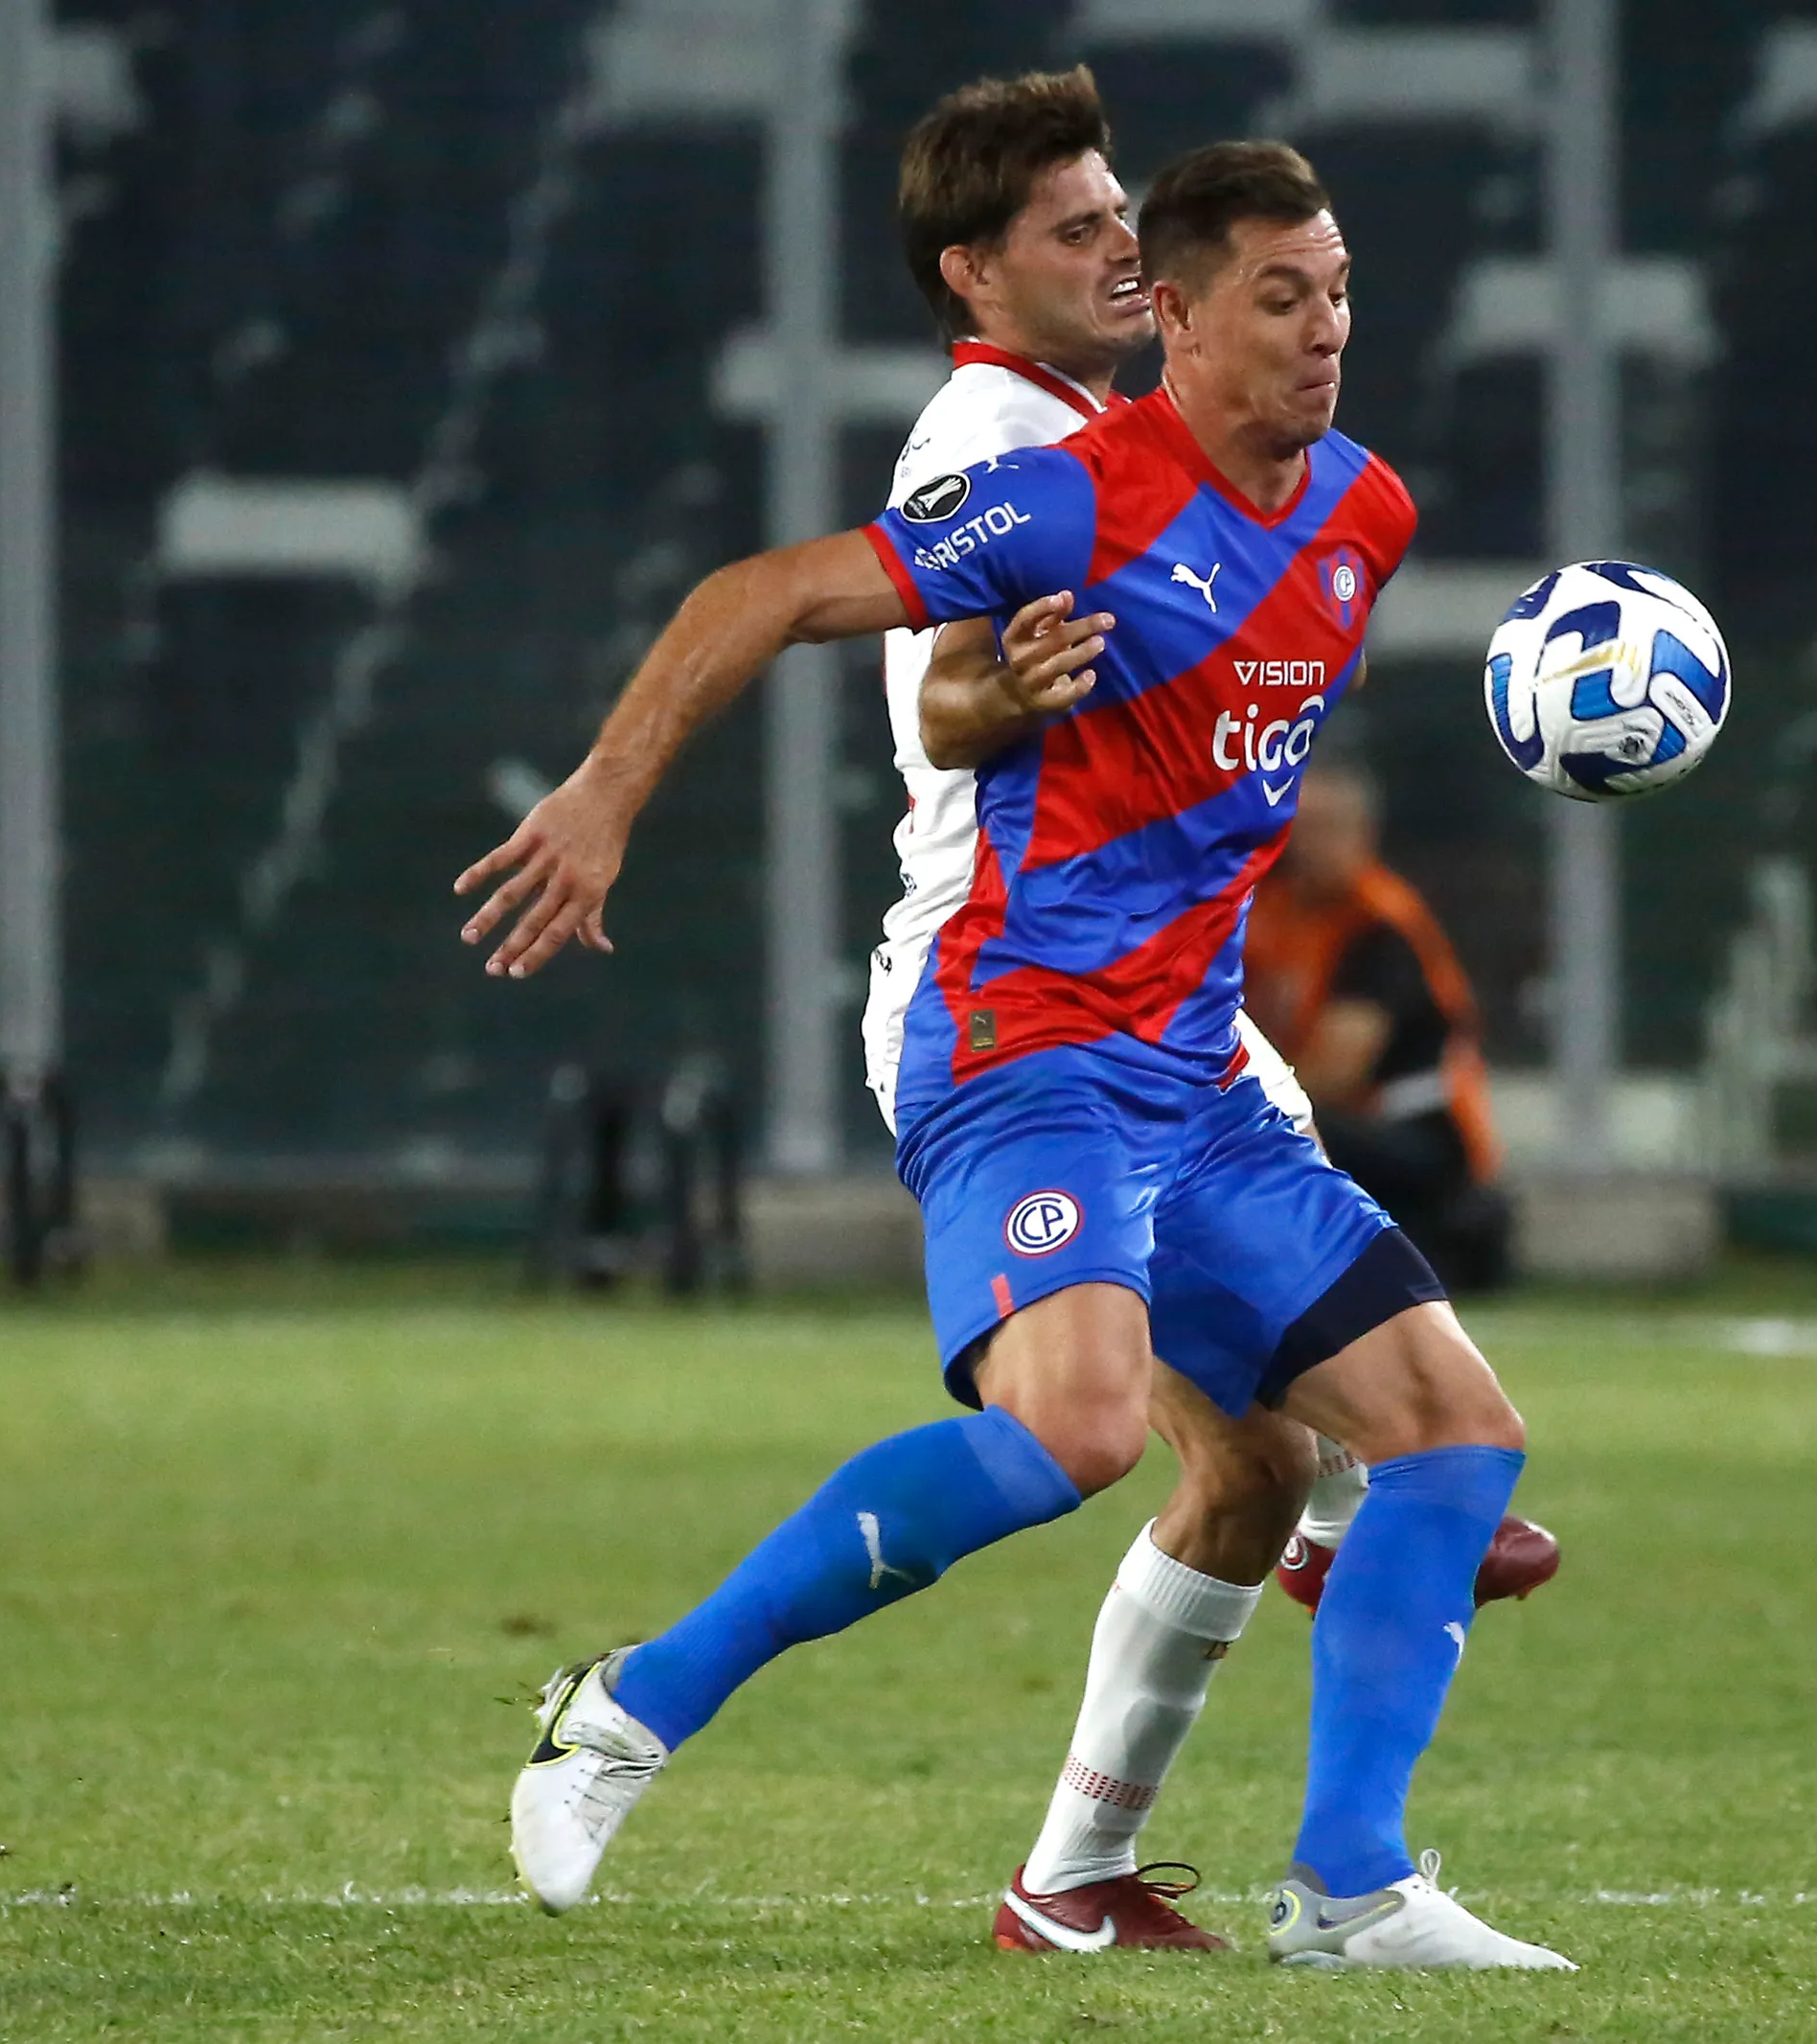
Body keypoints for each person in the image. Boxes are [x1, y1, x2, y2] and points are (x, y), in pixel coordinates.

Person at [456, 136, 1574, 1971]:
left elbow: (1197, 722)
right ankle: (630, 1704)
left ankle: (1348, 1885)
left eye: (1342, 291)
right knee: (1075, 1427)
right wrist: (603, 794)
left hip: (1198, 1078)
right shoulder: (1063, 492)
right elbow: (772, 599)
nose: (1323, 333)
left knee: (1457, 1436)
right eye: (1279, 298)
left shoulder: (1366, 512)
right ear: (1184, 319)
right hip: (1023, 1043)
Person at [865, 73, 1551, 1954]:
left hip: (1149, 982)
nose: (1111, 247)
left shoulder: (1127, 421)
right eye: (1078, 230)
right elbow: (953, 686)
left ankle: (1083, 1869)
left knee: (1250, 1454)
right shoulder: (991, 439)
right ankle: (1376, 1516)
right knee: (1247, 1432)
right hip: (1022, 977)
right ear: (976, 273)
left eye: (1120, 220)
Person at [1242, 760, 1512, 1298]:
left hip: (1420, 1131)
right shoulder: (1272, 908)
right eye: (1301, 825)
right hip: (1347, 1119)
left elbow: (1339, 1070)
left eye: (1328, 828)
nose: (1309, 843)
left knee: (1279, 1129)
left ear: (1364, 833)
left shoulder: (1380, 924)